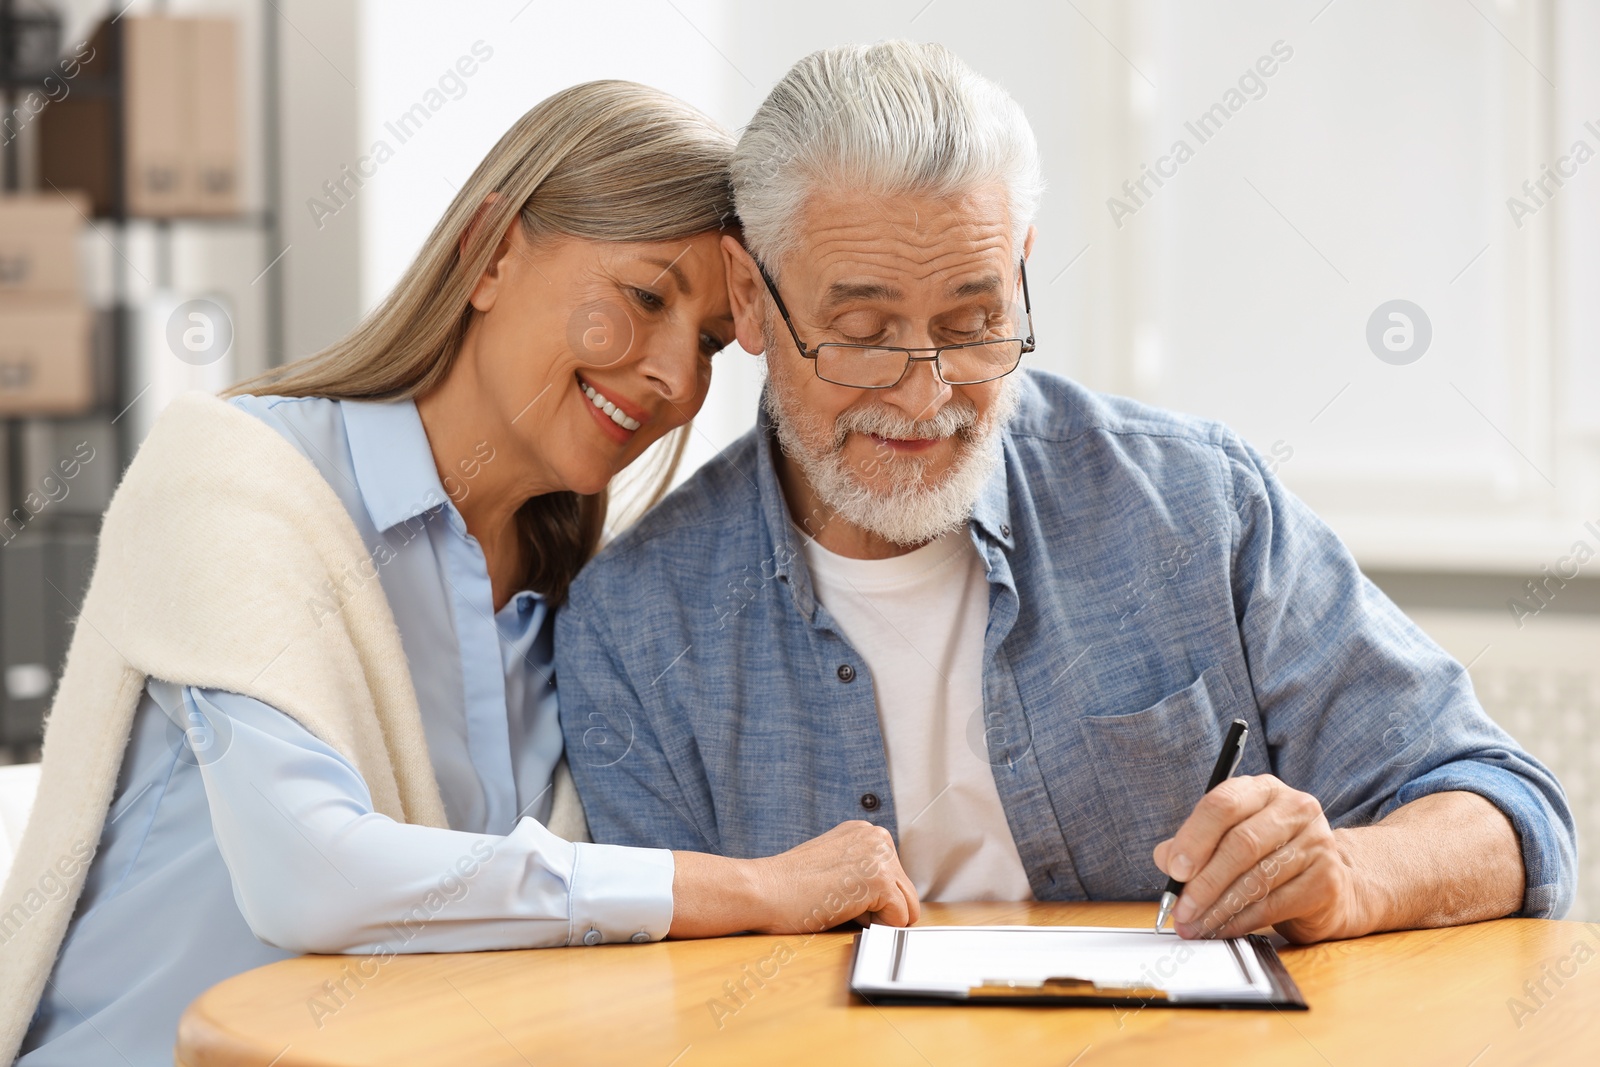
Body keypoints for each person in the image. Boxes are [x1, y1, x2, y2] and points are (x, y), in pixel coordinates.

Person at [557, 44, 1575, 943]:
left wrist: (1347, 875)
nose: (926, 391)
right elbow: (665, 998)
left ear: (1021, 270)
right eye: (863, 336)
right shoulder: (636, 627)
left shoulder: (1193, 506)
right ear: (749, 296)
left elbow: (1507, 811)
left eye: (971, 321)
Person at [2, 81, 917, 1067]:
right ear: (491, 252)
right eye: (646, 297)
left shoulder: (581, 609)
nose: (673, 376)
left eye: (704, 343)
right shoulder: (233, 478)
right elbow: (309, 873)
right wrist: (745, 886)